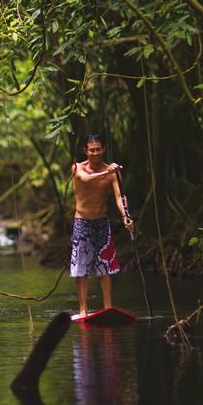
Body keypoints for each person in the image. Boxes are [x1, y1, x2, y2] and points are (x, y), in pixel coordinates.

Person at [70, 134, 134, 318]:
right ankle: (83, 310)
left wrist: (126, 216)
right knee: (81, 269)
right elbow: (86, 180)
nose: (95, 153)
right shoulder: (77, 168)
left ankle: (107, 308)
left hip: (102, 223)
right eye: (92, 150)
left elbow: (119, 197)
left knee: (105, 267)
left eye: (98, 149)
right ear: (85, 151)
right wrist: (108, 172)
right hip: (82, 223)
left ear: (103, 149)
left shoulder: (112, 172)